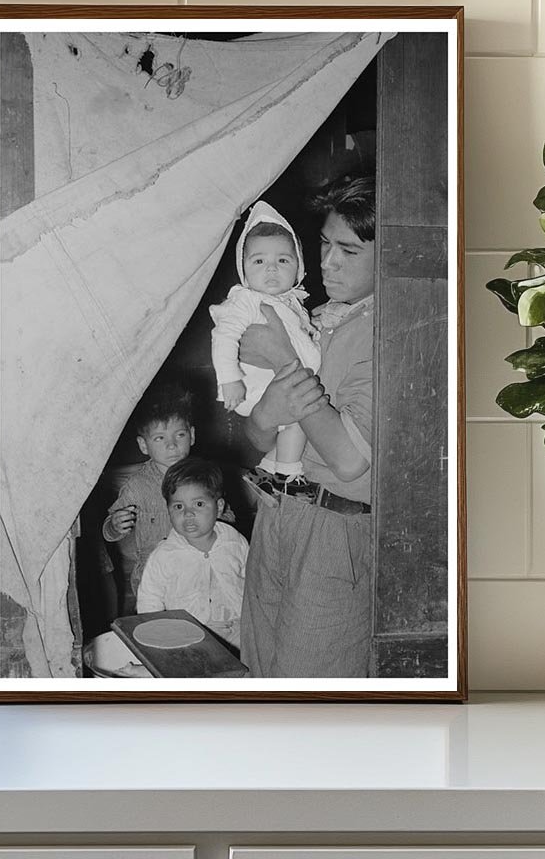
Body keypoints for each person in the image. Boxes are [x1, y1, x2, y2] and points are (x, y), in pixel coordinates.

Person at [238, 172, 376, 678]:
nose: (327, 262)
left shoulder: (393, 330)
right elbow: (255, 435)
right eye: (322, 245)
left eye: (349, 252)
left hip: (336, 532)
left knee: (310, 689)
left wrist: (282, 360)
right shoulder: (315, 317)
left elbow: (349, 460)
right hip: (277, 512)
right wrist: (267, 413)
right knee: (258, 670)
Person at [209, 201, 321, 484]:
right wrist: (229, 378)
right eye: (259, 261)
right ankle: (288, 476)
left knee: (291, 424)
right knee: (298, 418)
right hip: (255, 385)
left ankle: (268, 467)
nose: (271, 269)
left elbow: (298, 336)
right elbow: (223, 336)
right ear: (243, 268)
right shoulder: (246, 300)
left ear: (299, 267)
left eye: (283, 260)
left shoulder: (292, 303)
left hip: (278, 380)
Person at [102, 384, 234, 613]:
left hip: (198, 574)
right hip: (155, 581)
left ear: (191, 435)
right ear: (144, 445)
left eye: (179, 435)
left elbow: (228, 517)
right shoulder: (137, 487)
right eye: (160, 438)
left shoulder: (204, 477)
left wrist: (219, 516)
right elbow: (108, 531)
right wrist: (115, 525)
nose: (172, 445)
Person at [137, 457, 249, 648]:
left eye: (198, 504)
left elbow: (252, 579)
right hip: (188, 633)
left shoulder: (234, 541)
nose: (188, 513)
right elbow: (150, 597)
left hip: (237, 628)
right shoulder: (165, 555)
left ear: (219, 507)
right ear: (169, 510)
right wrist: (155, 634)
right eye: (178, 506)